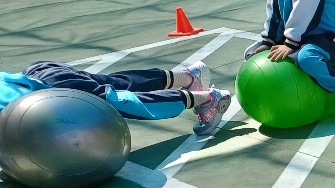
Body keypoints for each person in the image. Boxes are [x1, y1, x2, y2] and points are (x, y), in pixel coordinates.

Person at [1, 60, 229, 137]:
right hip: (39, 73)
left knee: (118, 103)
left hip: (50, 94)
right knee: (114, 84)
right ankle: (188, 77)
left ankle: (207, 99)